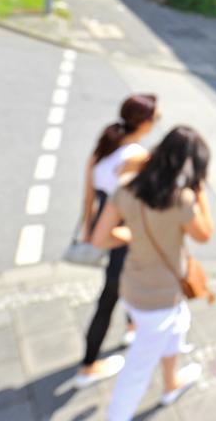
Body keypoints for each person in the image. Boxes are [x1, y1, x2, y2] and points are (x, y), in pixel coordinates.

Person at [92, 126, 214, 420]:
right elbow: (205, 234)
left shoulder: (128, 189)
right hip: (159, 297)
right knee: (137, 370)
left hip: (135, 286)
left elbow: (100, 239)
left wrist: (134, 234)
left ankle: (171, 384)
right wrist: (200, 191)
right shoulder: (182, 199)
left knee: (179, 325)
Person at [74, 94, 157, 388]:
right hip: (124, 233)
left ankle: (131, 326)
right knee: (112, 292)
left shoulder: (102, 148)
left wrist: (88, 229)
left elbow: (88, 196)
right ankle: (88, 366)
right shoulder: (136, 157)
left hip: (102, 228)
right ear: (144, 123)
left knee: (117, 286)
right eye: (155, 119)